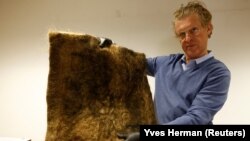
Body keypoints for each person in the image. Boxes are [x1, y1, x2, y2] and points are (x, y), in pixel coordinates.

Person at [117, 1, 231, 140]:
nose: (188, 39)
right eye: (182, 34)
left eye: (193, 30)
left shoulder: (218, 73)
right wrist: (107, 48)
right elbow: (132, 62)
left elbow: (196, 119)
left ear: (208, 28)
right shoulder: (165, 63)